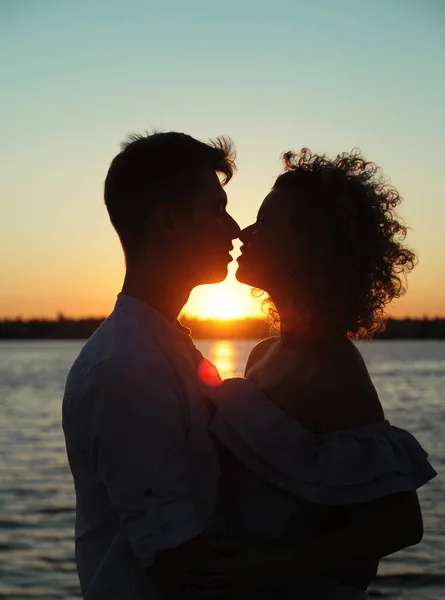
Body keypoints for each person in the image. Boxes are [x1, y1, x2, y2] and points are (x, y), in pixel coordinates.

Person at [187, 149, 437, 599]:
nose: (244, 232)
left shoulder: (334, 370)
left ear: (308, 244)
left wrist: (269, 569)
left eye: (265, 222)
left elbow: (400, 524)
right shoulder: (263, 353)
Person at [62, 131, 240, 599]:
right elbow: (178, 566)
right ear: (168, 223)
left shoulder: (163, 347)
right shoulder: (129, 368)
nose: (235, 228)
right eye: (217, 209)